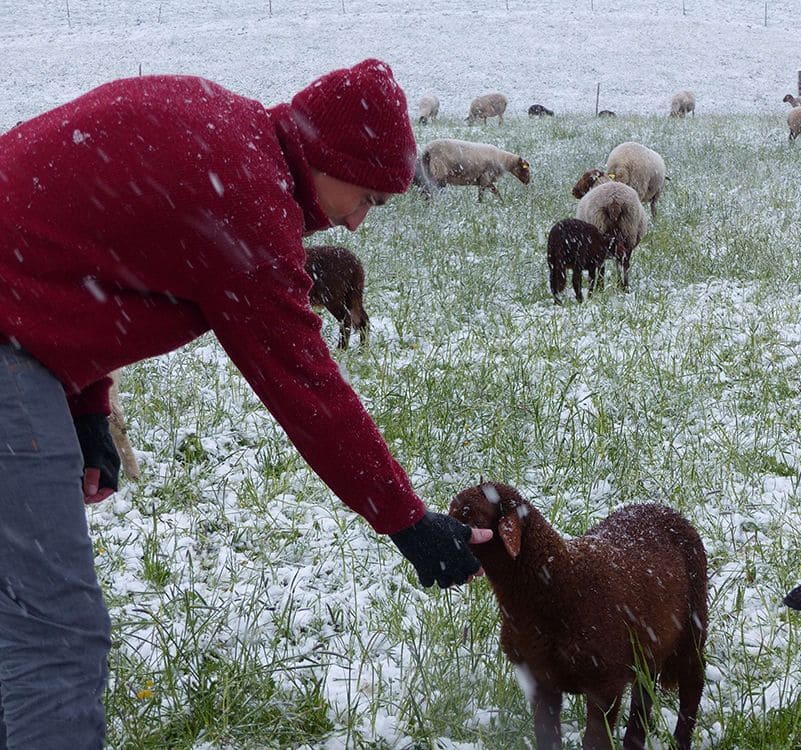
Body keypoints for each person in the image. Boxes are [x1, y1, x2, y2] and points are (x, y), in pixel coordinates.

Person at [0, 58, 489, 748]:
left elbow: (81, 251)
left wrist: (87, 407)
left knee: (16, 619)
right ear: (330, 158)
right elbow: (307, 389)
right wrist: (408, 523)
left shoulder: (222, 121)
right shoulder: (249, 203)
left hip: (21, 337)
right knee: (54, 633)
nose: (357, 224)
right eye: (370, 198)